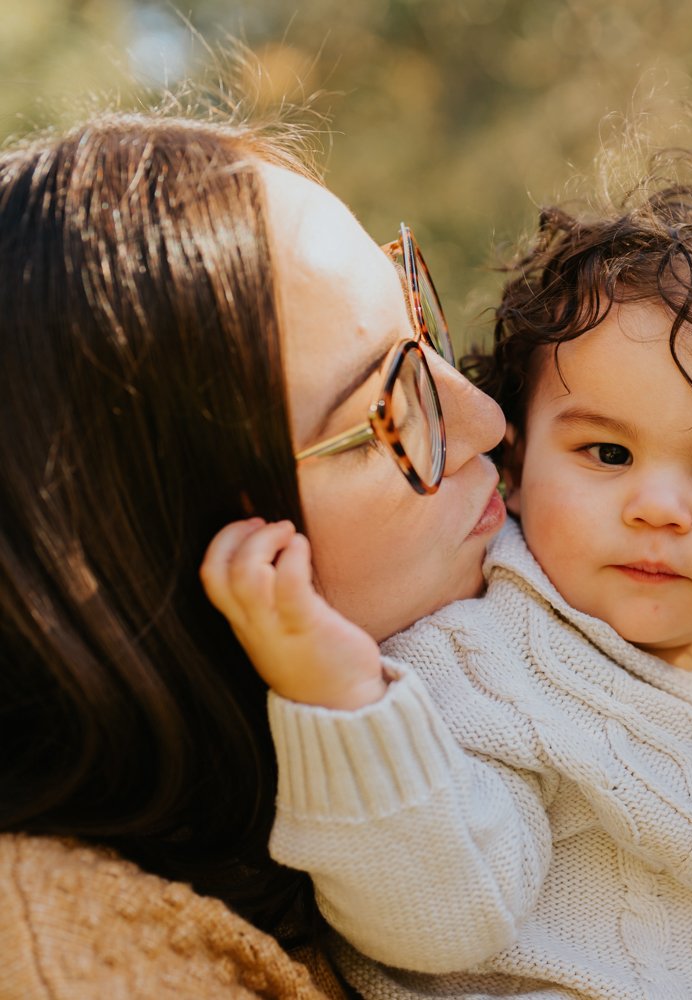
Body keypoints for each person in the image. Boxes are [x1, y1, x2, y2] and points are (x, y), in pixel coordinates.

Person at [202, 175, 692, 999]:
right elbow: (435, 918)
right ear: (516, 466)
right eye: (608, 454)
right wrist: (345, 702)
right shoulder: (480, 659)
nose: (658, 509)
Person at [0, 110, 510, 996]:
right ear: (148, 554)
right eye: (379, 420)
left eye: (422, 335)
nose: (487, 423)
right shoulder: (70, 961)